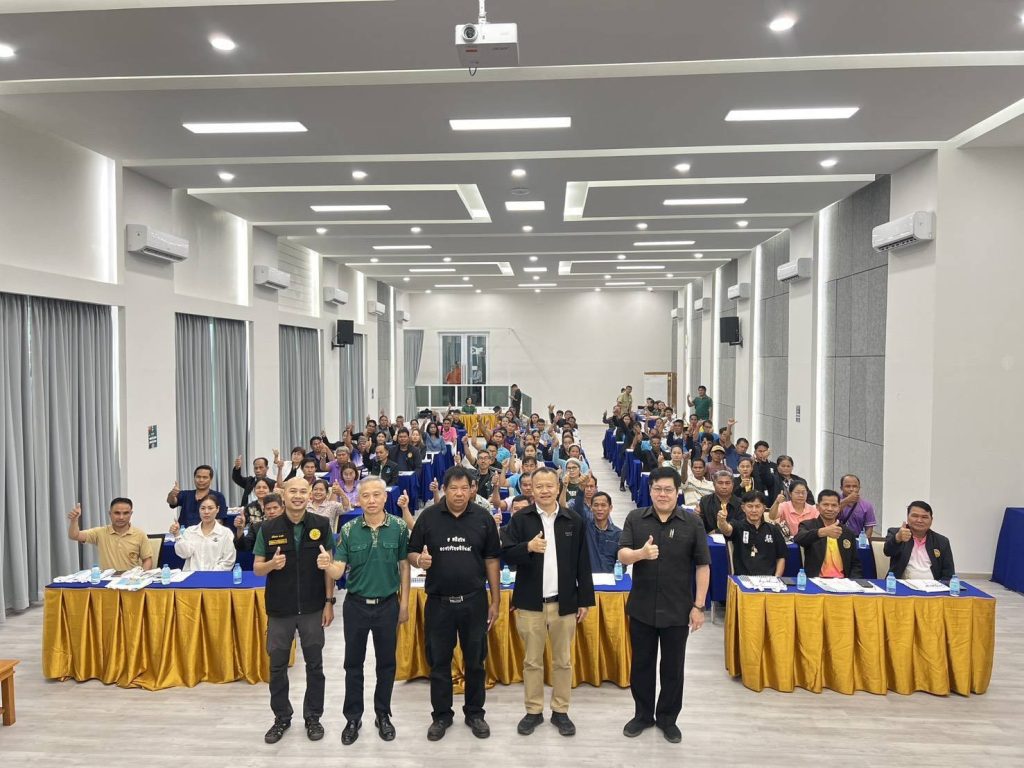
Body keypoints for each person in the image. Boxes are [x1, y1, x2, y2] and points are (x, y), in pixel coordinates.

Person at [407, 466, 501, 742]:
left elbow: (492, 560)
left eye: (464, 488)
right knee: (439, 663)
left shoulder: (483, 518)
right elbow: (412, 551)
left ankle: (475, 713)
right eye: (453, 488)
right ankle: (441, 716)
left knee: (475, 662)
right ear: (445, 489)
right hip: (439, 603)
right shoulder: (429, 517)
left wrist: (495, 599)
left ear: (472, 490)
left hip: (474, 602)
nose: (459, 493)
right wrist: (419, 560)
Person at [618, 467, 710, 744]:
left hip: (677, 608)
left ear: (678, 492)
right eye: (657, 489)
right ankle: (643, 715)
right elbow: (622, 555)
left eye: (668, 489)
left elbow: (703, 566)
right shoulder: (636, 518)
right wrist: (641, 553)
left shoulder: (692, 522)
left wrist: (699, 606)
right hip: (642, 607)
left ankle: (668, 719)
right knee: (642, 665)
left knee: (673, 668)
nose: (662, 494)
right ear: (650, 491)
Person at [501, 467, 594, 737]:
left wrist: (584, 600)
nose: (544, 490)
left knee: (563, 661)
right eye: (538, 486)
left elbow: (583, 562)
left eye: (549, 486)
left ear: (558, 488)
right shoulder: (521, 519)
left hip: (564, 603)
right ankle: (533, 711)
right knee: (532, 661)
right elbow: (505, 553)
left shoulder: (573, 520)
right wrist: (527, 548)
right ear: (531, 488)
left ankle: (560, 710)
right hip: (530, 603)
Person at [317, 476, 411, 745]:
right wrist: (327, 565)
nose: (371, 500)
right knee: (353, 664)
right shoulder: (349, 530)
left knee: (386, 664)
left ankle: (383, 714)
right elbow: (339, 570)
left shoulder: (399, 527)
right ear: (358, 499)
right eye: (365, 496)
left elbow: (404, 566)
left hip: (388, 605)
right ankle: (352, 717)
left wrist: (404, 603)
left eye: (376, 495)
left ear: (385, 497)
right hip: (356, 606)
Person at [253, 477, 335, 744]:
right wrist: (271, 565)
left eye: (303, 491)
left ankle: (313, 717)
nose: (298, 496)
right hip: (280, 609)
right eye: (292, 491)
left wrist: (329, 602)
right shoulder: (268, 527)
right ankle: (281, 718)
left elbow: (329, 567)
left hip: (312, 607)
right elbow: (257, 568)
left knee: (315, 665)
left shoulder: (321, 524)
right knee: (277, 667)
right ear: (283, 495)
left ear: (310, 494)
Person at [66, 498, 153, 571]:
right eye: (117, 513)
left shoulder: (140, 535)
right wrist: (74, 520)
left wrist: (142, 577)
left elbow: (147, 560)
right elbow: (74, 535)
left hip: (131, 581)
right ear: (110, 514)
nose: (121, 517)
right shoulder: (100, 532)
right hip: (107, 581)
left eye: (126, 513)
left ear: (131, 514)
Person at [794, 490, 862, 579]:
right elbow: (799, 538)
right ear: (817, 507)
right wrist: (822, 532)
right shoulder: (808, 525)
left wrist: (853, 582)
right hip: (817, 580)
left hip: (843, 581)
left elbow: (855, 563)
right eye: (825, 505)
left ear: (839, 508)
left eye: (834, 505)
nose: (830, 509)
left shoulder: (847, 532)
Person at [716, 492, 787, 576]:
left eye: (758, 506)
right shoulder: (737, 526)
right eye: (750, 506)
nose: (754, 510)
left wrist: (776, 578)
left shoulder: (773, 529)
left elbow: (781, 557)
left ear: (764, 508)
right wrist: (722, 521)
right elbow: (726, 529)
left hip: (768, 579)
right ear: (743, 508)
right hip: (743, 579)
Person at [883, 501, 955, 580]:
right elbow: (887, 551)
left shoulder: (942, 541)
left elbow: (948, 574)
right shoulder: (896, 533)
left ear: (931, 520)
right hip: (901, 584)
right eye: (915, 516)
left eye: (924, 517)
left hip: (933, 586)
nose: (919, 520)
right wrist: (897, 538)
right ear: (907, 517)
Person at [169, 495, 235, 572]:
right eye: (203, 508)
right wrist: (177, 534)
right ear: (199, 510)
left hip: (215, 576)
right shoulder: (190, 531)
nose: (206, 512)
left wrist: (210, 575)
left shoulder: (226, 533)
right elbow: (184, 554)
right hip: (192, 575)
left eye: (210, 508)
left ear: (217, 509)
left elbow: (228, 562)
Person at [574, 490, 621, 573]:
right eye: (596, 505)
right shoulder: (586, 528)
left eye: (603, 505)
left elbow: (622, 561)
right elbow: (578, 510)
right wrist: (581, 489)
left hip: (610, 578)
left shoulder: (618, 534)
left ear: (610, 508)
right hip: (588, 577)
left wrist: (614, 575)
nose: (599, 509)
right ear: (591, 508)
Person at [837, 474, 878, 539]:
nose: (851, 489)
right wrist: (847, 500)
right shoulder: (834, 502)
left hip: (856, 538)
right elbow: (832, 512)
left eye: (855, 486)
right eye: (847, 486)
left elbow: (869, 528)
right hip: (836, 537)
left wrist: (863, 541)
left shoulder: (867, 505)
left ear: (859, 488)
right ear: (841, 488)